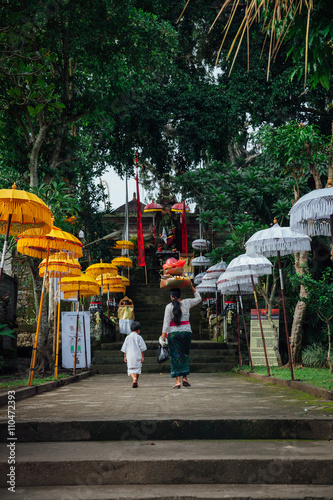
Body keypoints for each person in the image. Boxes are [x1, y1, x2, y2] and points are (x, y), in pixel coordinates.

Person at [161, 284, 201, 389]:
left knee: (175, 356)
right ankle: (185, 378)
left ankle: (178, 381)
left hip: (173, 334)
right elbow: (199, 298)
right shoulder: (187, 302)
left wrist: (163, 335)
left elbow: (166, 322)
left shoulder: (169, 307)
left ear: (171, 296)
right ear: (180, 295)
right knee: (185, 354)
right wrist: (192, 286)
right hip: (186, 332)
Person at [121, 321, 147, 388]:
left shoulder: (127, 337)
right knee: (137, 369)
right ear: (138, 330)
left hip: (129, 356)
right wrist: (142, 357)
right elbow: (142, 348)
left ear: (131, 329)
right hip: (137, 356)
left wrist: (125, 356)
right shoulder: (139, 337)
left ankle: (133, 379)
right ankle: (136, 380)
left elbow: (125, 348)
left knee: (130, 369)